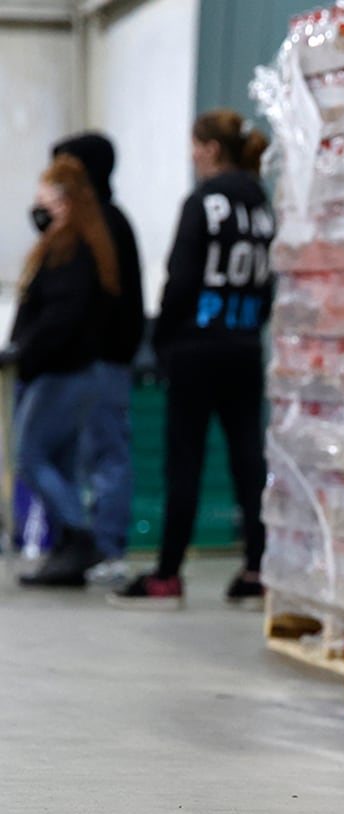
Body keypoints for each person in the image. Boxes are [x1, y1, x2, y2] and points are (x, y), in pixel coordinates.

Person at [113, 111, 275, 609]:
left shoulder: (203, 202)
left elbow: (180, 280)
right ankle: (258, 568)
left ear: (207, 148)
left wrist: (162, 340)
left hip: (195, 348)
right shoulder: (262, 204)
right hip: (244, 345)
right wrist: (248, 324)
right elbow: (269, 280)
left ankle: (167, 574)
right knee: (249, 460)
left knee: (184, 463)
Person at [1, 155, 121, 587]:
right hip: (65, 370)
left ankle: (78, 533)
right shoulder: (71, 246)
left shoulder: (74, 252)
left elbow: (60, 318)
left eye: (45, 199)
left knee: (30, 457)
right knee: (60, 462)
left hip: (61, 373)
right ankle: (66, 553)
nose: (38, 207)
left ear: (66, 201)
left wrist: (25, 352)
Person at [50, 134, 144, 585]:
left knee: (106, 454)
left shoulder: (107, 224)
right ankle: (87, 540)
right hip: (92, 362)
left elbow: (107, 303)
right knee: (90, 455)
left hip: (103, 361)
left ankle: (106, 546)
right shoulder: (89, 223)